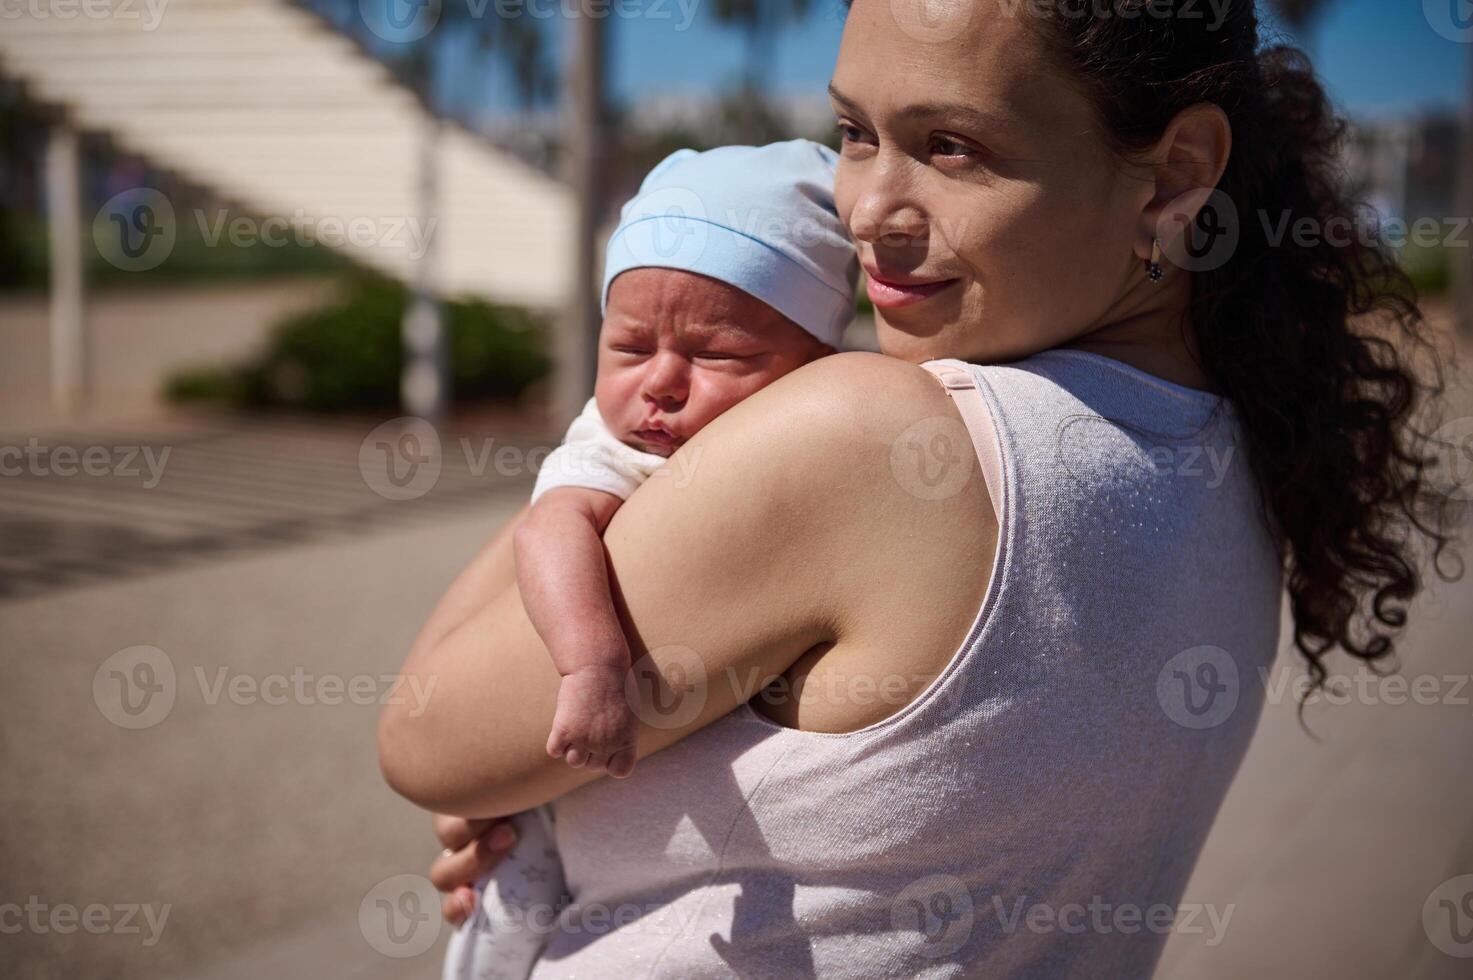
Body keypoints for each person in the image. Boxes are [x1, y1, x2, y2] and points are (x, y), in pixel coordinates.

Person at [382, 1, 1453, 976]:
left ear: (1174, 177)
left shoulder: (873, 439)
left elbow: (426, 735)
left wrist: (591, 459)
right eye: (855, 133)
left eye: (953, 147)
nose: (870, 210)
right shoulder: (1240, 469)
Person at [440, 139, 856, 980]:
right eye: (629, 347)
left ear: (815, 365)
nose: (661, 381)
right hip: (562, 771)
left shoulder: (825, 432)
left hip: (691, 834)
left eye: (716, 355)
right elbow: (552, 529)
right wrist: (592, 668)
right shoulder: (613, 450)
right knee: (505, 911)